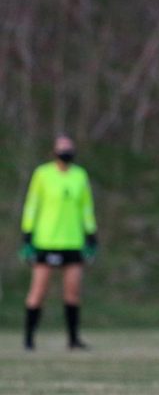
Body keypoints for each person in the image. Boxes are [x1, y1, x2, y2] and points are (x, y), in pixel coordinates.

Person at [20, 134, 98, 351]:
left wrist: (91, 234)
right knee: (38, 291)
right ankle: (29, 339)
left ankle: (73, 340)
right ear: (54, 151)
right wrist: (27, 233)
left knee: (72, 292)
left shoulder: (80, 175)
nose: (66, 151)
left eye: (69, 147)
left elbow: (86, 208)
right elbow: (32, 205)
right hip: (45, 241)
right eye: (62, 147)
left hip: (72, 242)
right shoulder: (42, 174)